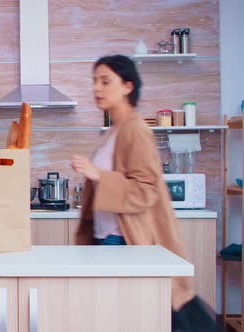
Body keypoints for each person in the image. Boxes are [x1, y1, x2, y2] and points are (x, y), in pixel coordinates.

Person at [70, 55, 216, 331]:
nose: (97, 89)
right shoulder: (114, 131)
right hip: (108, 239)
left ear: (127, 86)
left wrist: (97, 173)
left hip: (125, 241)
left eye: (105, 81)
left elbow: (145, 190)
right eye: (94, 82)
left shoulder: (135, 130)